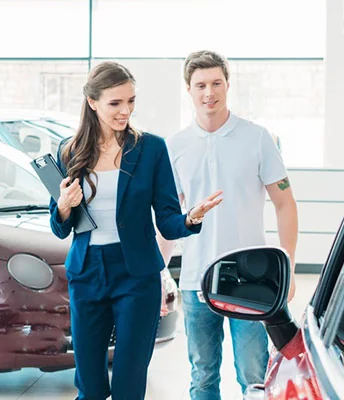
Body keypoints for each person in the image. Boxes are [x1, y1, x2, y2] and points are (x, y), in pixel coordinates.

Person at [50, 61, 223, 400]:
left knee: (129, 384)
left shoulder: (151, 149)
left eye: (130, 101)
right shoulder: (69, 151)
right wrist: (64, 205)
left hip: (136, 276)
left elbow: (169, 220)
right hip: (86, 274)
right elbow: (59, 228)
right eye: (115, 103)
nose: (125, 111)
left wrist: (191, 218)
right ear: (92, 102)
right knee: (90, 386)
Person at [159, 50, 299, 400]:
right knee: (202, 376)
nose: (210, 92)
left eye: (216, 83)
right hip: (195, 281)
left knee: (254, 377)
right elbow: (168, 221)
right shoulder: (174, 147)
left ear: (228, 85)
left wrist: (289, 268)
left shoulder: (257, 137)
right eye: (201, 85)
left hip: (251, 281)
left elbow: (285, 203)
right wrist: (160, 274)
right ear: (188, 90)